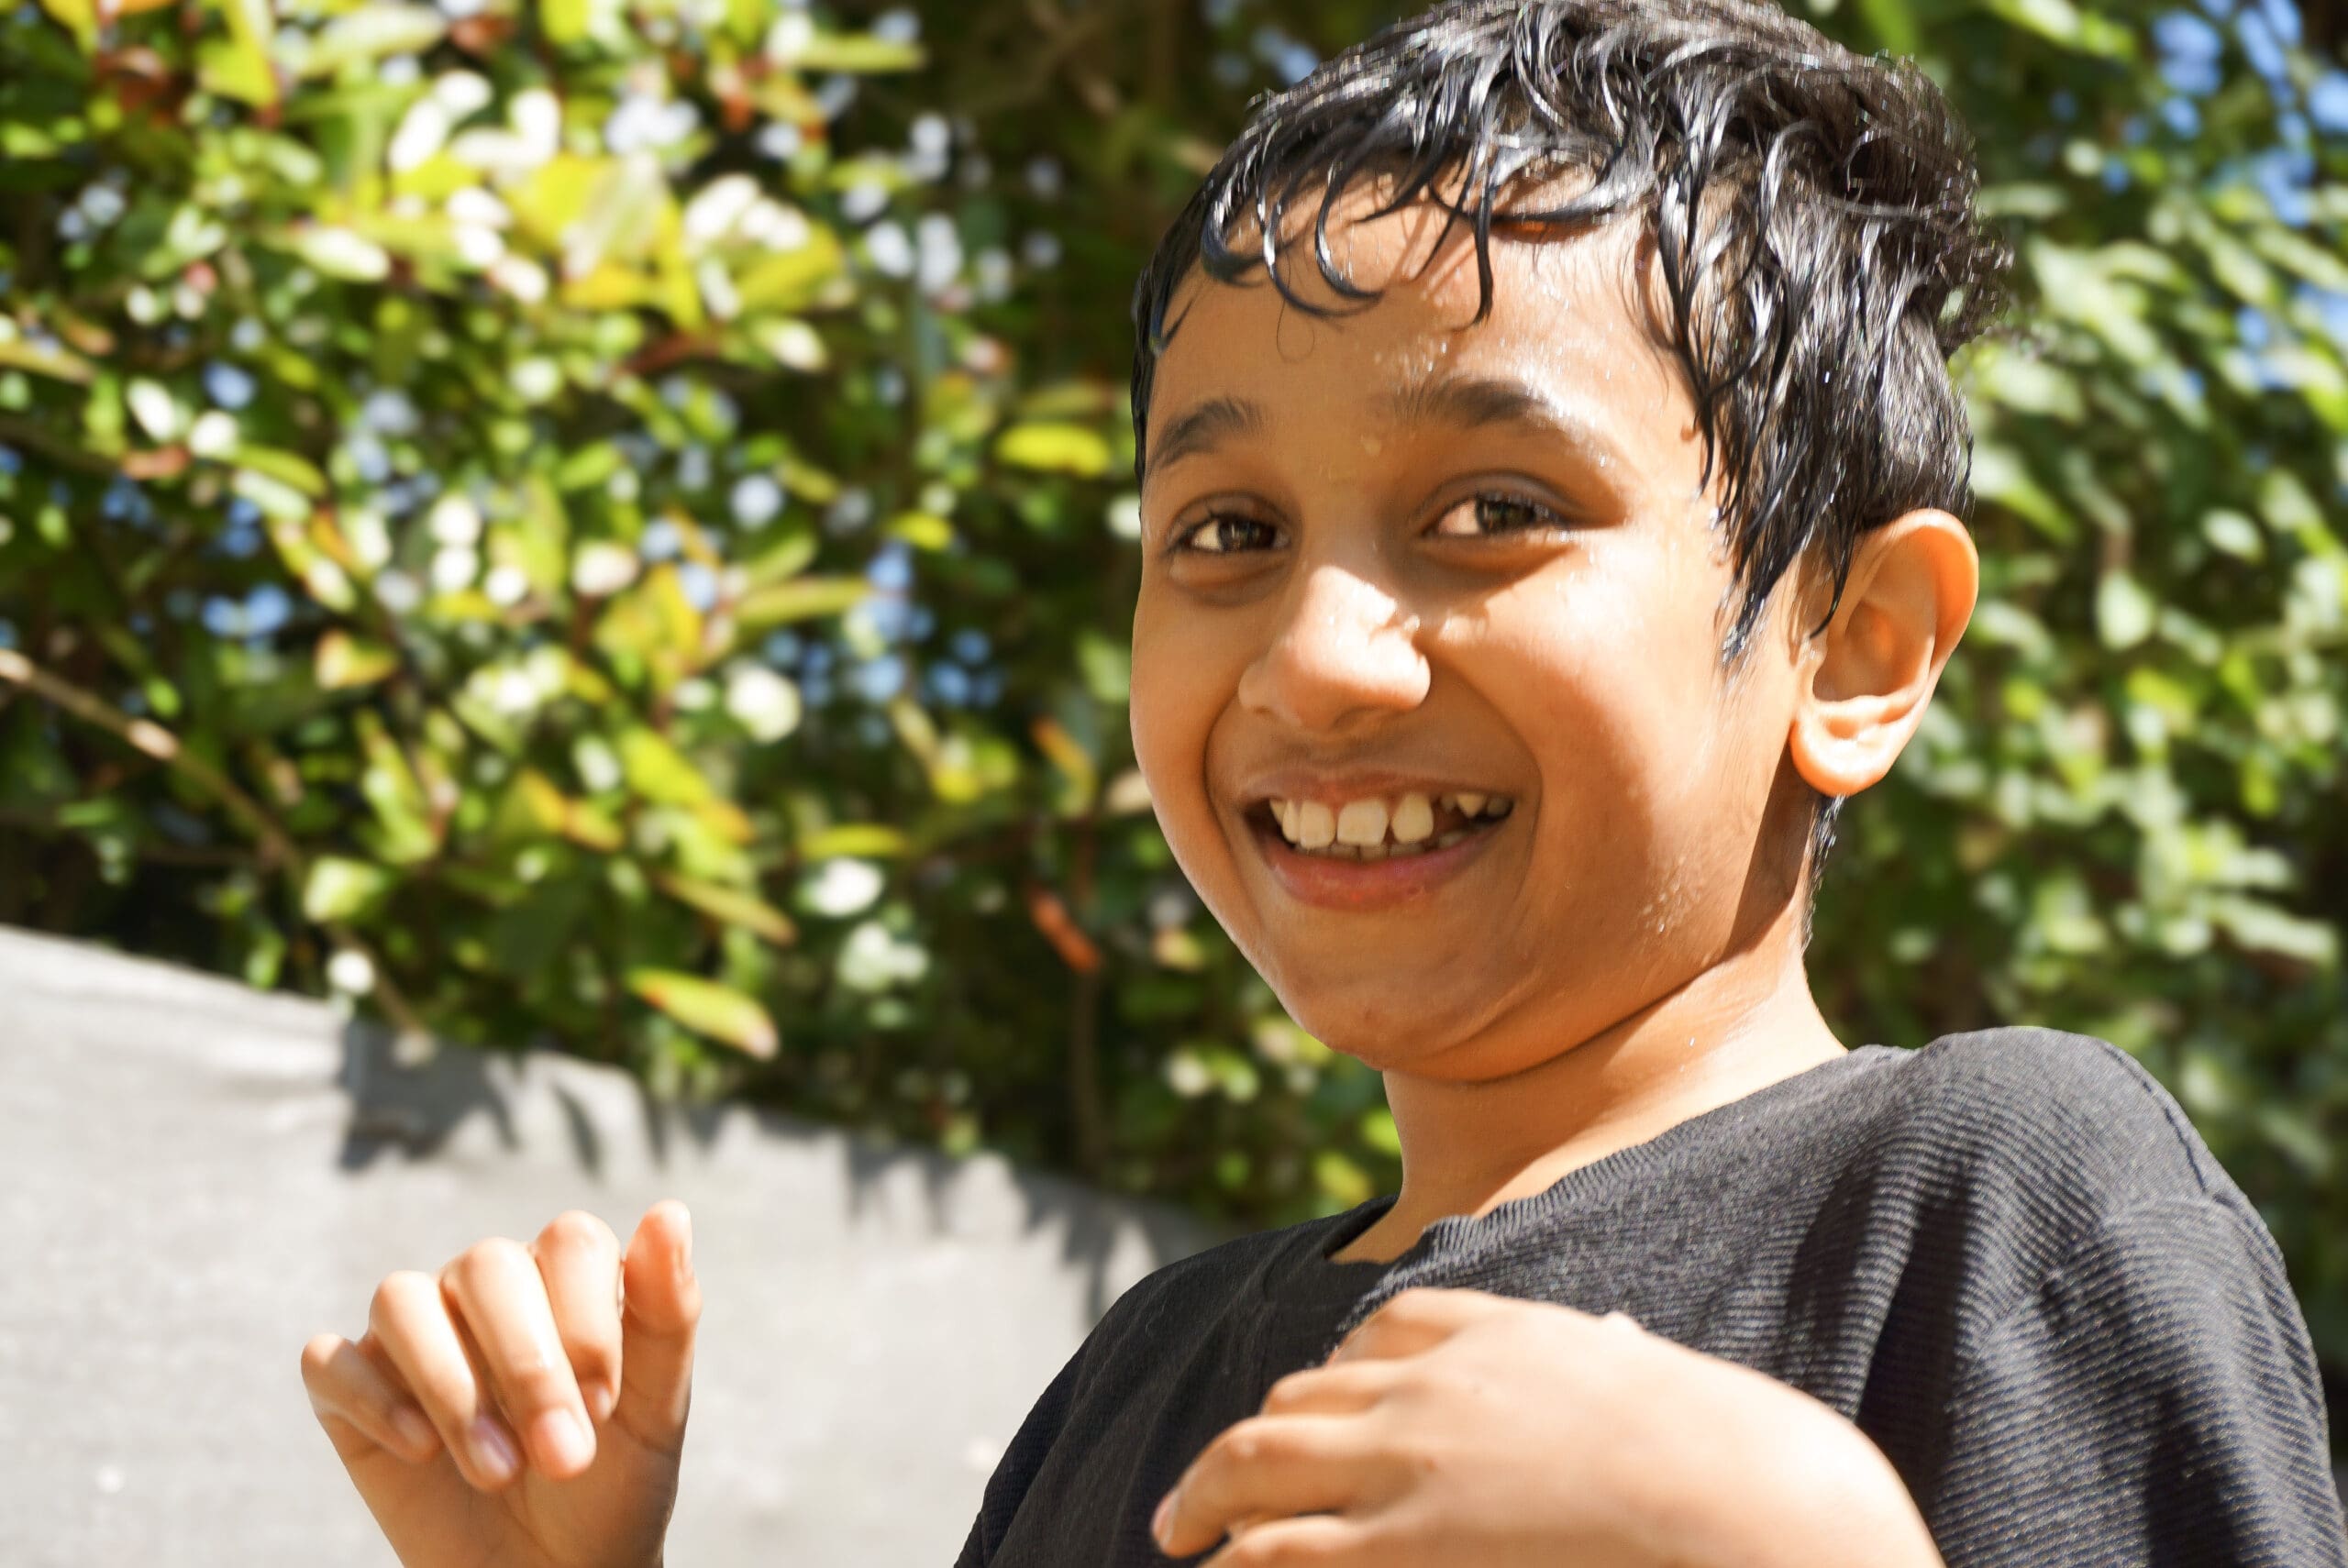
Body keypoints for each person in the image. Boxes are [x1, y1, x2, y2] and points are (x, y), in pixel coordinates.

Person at [298, 1, 2348, 1564]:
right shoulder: (1137, 1379)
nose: (1310, 661)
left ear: (1855, 646)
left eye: (1490, 506)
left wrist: (1799, 1538)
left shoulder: (1996, 1197)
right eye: (1223, 537)